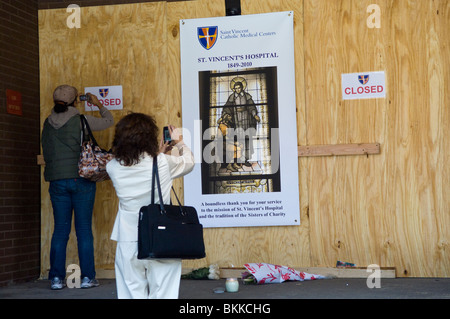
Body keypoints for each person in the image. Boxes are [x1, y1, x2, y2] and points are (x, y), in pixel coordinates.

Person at [106, 113, 194, 299]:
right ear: (149, 137)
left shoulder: (112, 166)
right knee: (164, 293)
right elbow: (189, 163)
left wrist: (160, 154)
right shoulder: (162, 163)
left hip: (127, 238)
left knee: (130, 292)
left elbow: (140, 167)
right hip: (161, 235)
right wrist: (179, 143)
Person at [41, 85, 114, 290]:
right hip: (81, 180)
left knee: (60, 230)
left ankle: (56, 279)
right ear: (75, 101)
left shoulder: (47, 123)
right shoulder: (82, 120)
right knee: (83, 230)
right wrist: (97, 103)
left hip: (57, 181)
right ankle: (87, 278)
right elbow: (110, 121)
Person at [221, 79, 260, 171]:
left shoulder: (247, 96)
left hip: (246, 119)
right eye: (236, 88)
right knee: (238, 139)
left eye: (239, 88)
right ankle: (237, 160)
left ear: (242, 88)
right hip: (236, 120)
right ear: (233, 89)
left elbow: (252, 107)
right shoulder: (231, 97)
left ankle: (245, 159)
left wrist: (254, 115)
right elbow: (226, 108)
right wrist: (225, 115)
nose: (237, 90)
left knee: (246, 139)